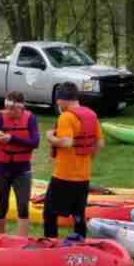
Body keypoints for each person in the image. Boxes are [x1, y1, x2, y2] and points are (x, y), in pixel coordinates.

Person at [43, 82, 103, 238]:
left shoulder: (66, 116)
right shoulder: (91, 115)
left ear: (63, 99)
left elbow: (67, 142)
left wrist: (50, 137)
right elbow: (99, 143)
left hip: (63, 176)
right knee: (78, 214)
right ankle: (80, 244)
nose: (57, 104)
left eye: (57, 101)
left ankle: (50, 245)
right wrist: (89, 158)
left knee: (49, 213)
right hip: (83, 176)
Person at [0, 92, 39, 237]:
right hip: (1, 169)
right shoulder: (0, 118)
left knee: (23, 206)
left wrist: (12, 138)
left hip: (22, 170)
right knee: (2, 205)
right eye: (7, 108)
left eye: (13, 109)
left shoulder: (30, 119)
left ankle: (22, 241)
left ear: (21, 107)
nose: (9, 112)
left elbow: (35, 143)